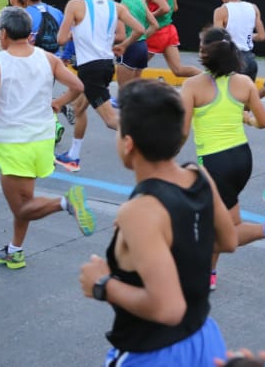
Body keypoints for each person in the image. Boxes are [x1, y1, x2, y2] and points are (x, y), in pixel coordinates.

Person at [80, 80, 238, 366]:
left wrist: (102, 284)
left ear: (128, 144)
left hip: (153, 353)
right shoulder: (199, 176)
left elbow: (169, 309)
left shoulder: (139, 211)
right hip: (205, 339)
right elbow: (228, 241)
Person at [0, 7, 92, 270]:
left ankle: (66, 202)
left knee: (21, 208)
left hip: (13, 140)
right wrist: (58, 102)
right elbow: (77, 86)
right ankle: (15, 250)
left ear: (4, 33)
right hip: (42, 137)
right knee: (25, 201)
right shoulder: (47, 58)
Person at [180, 28, 265, 291]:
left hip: (215, 164)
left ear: (205, 54)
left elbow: (181, 132)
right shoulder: (244, 83)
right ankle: (210, 273)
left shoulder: (192, 86)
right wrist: (245, 118)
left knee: (217, 230)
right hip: (241, 159)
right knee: (223, 221)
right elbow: (263, 121)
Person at [55, 0, 146, 172]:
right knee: (79, 109)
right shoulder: (116, 6)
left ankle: (148, 139)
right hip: (107, 65)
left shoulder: (75, 5)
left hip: (90, 68)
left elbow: (60, 39)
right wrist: (124, 45)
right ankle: (73, 156)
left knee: (111, 120)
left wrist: (72, 34)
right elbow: (139, 29)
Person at [144, 0, 202, 78]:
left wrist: (150, 15)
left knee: (133, 66)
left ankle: (128, 96)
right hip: (169, 30)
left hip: (157, 32)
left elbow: (165, 8)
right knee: (178, 70)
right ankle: (209, 78)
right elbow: (174, 7)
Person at [109, 0, 158, 90]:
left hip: (129, 48)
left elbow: (121, 35)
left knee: (124, 91)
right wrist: (142, 38)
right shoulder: (141, 1)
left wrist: (127, 43)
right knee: (135, 92)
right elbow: (155, 25)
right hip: (142, 47)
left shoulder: (121, 6)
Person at [214, 0, 264, 79]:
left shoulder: (221, 11)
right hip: (251, 60)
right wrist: (246, 35)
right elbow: (262, 36)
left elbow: (216, 40)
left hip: (234, 60)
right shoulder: (253, 7)